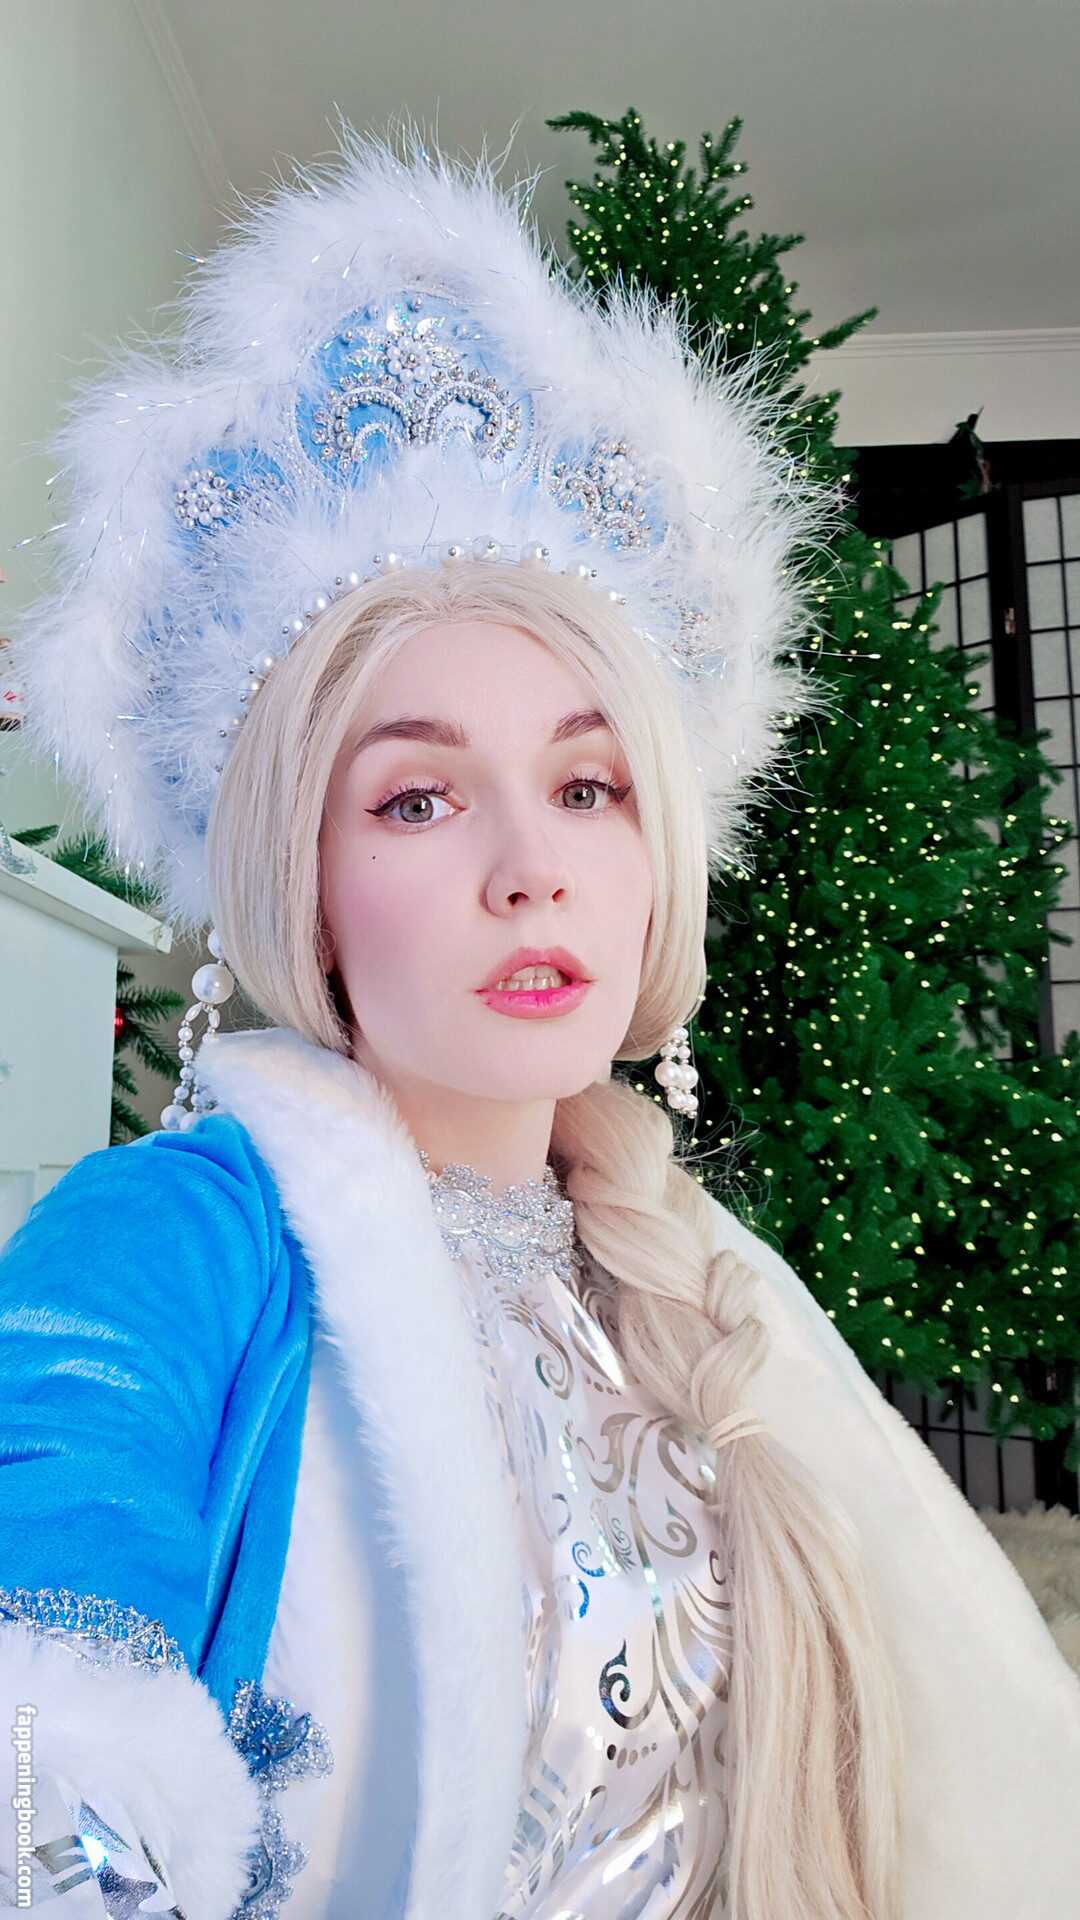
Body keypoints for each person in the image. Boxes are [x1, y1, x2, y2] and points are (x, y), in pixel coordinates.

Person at [1, 138, 1078, 1920]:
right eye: (418, 800)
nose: (531, 870)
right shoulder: (175, 1243)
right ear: (301, 877)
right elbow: (38, 1740)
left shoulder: (681, 1277)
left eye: (587, 786)